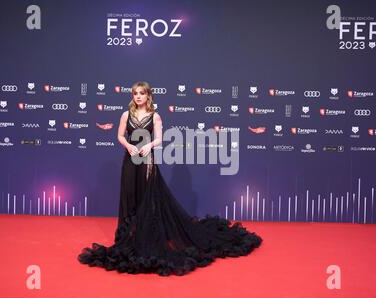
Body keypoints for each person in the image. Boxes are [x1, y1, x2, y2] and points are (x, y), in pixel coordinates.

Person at [78, 81, 262, 276]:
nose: (138, 97)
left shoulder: (155, 116)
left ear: (148, 96)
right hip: (130, 160)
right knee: (129, 196)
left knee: (146, 198)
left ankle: (145, 236)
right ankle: (127, 237)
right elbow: (119, 135)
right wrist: (128, 145)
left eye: (142, 93)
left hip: (147, 160)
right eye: (135, 94)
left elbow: (159, 138)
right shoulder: (126, 114)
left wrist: (149, 146)